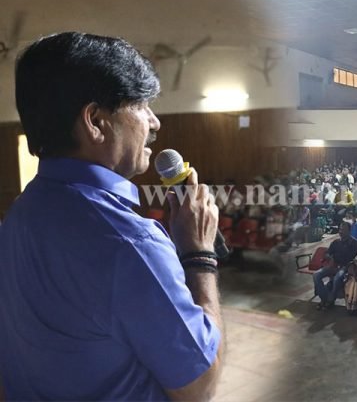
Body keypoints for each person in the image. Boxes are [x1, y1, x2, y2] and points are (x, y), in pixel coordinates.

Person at [0, 32, 223, 399]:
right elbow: (200, 385)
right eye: (142, 105)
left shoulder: (20, 215)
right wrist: (199, 254)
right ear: (95, 121)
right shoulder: (129, 244)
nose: (154, 122)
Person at [314, 222, 357, 310]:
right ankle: (324, 298)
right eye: (340, 229)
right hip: (333, 265)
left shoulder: (354, 243)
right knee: (316, 275)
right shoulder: (336, 242)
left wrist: (338, 263)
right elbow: (327, 253)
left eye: (343, 230)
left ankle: (330, 300)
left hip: (345, 267)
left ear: (349, 231)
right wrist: (330, 257)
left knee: (337, 278)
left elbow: (352, 258)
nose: (340, 231)